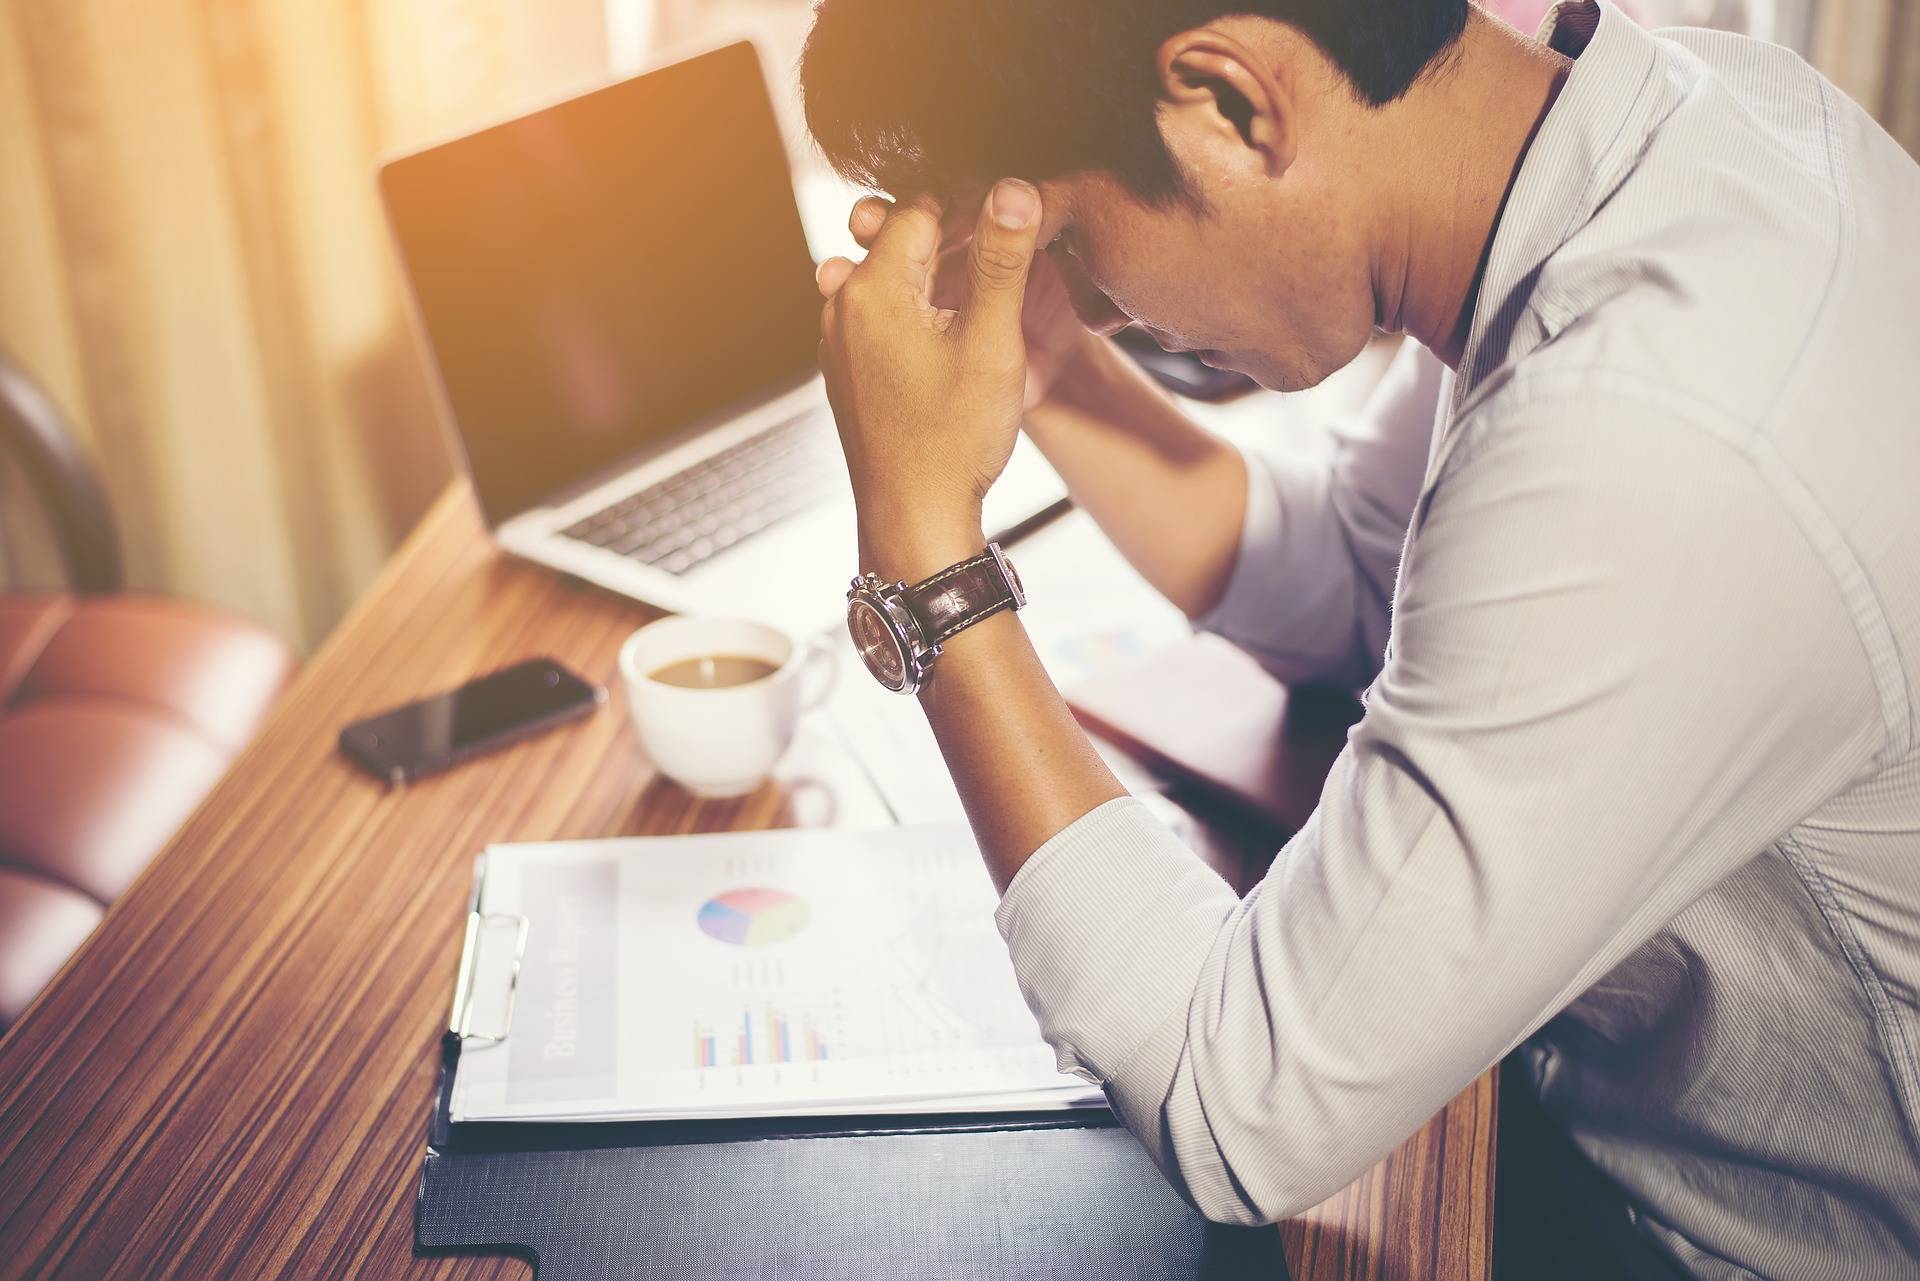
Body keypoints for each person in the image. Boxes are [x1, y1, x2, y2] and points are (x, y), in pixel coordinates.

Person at [801, 0, 1920, 1277]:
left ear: (1231, 102)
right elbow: (1348, 577)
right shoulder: (1667, 130)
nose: (1099, 307)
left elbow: (1237, 1106)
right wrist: (1046, 362)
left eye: (1070, 243)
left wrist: (923, 546)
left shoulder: (1653, 428)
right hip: (1573, 1090)